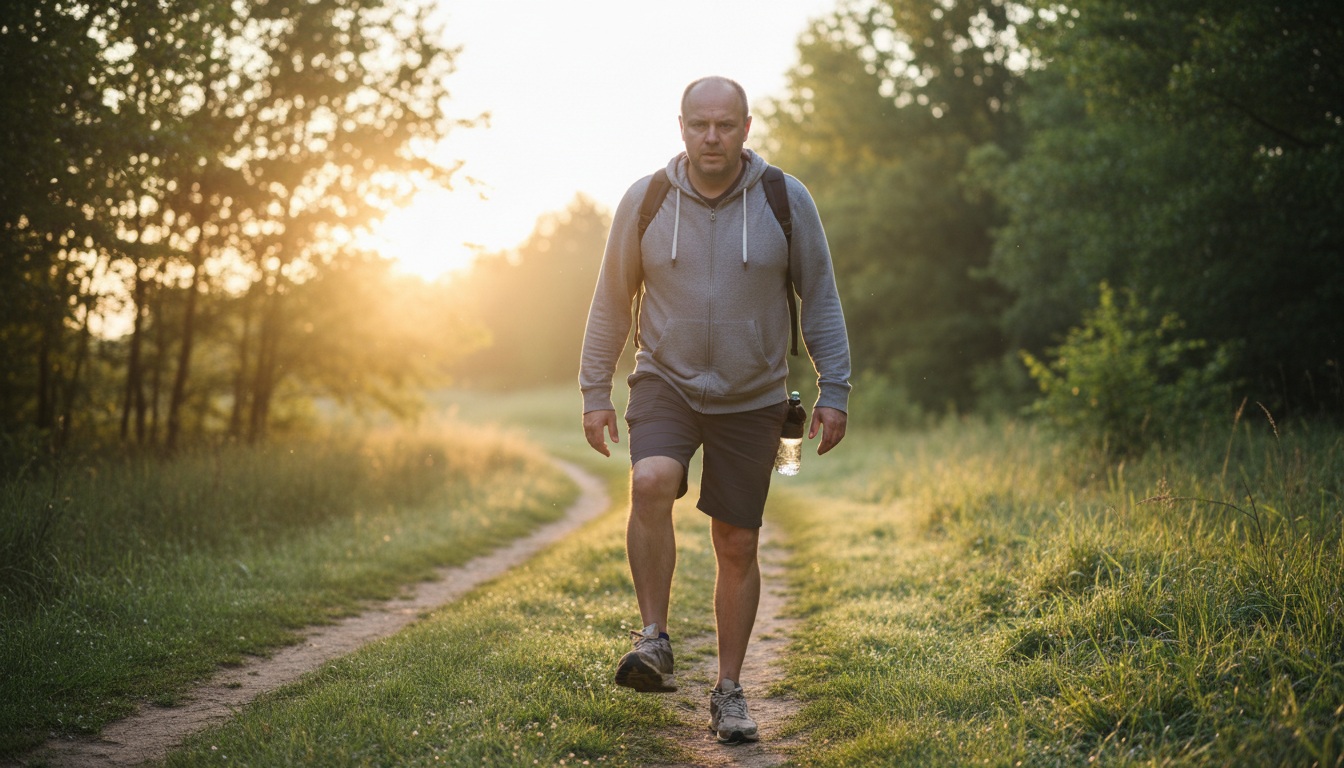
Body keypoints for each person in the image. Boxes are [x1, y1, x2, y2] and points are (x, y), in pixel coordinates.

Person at [579, 76, 851, 744]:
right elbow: (611, 302)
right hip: (664, 382)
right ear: (680, 126)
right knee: (650, 481)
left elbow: (819, 297)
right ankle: (654, 640)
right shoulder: (645, 201)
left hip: (753, 397)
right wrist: (594, 392)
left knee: (737, 540)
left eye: (724, 125)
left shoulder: (786, 200)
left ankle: (729, 691)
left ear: (746, 127)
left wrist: (834, 390)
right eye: (699, 125)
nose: (711, 137)